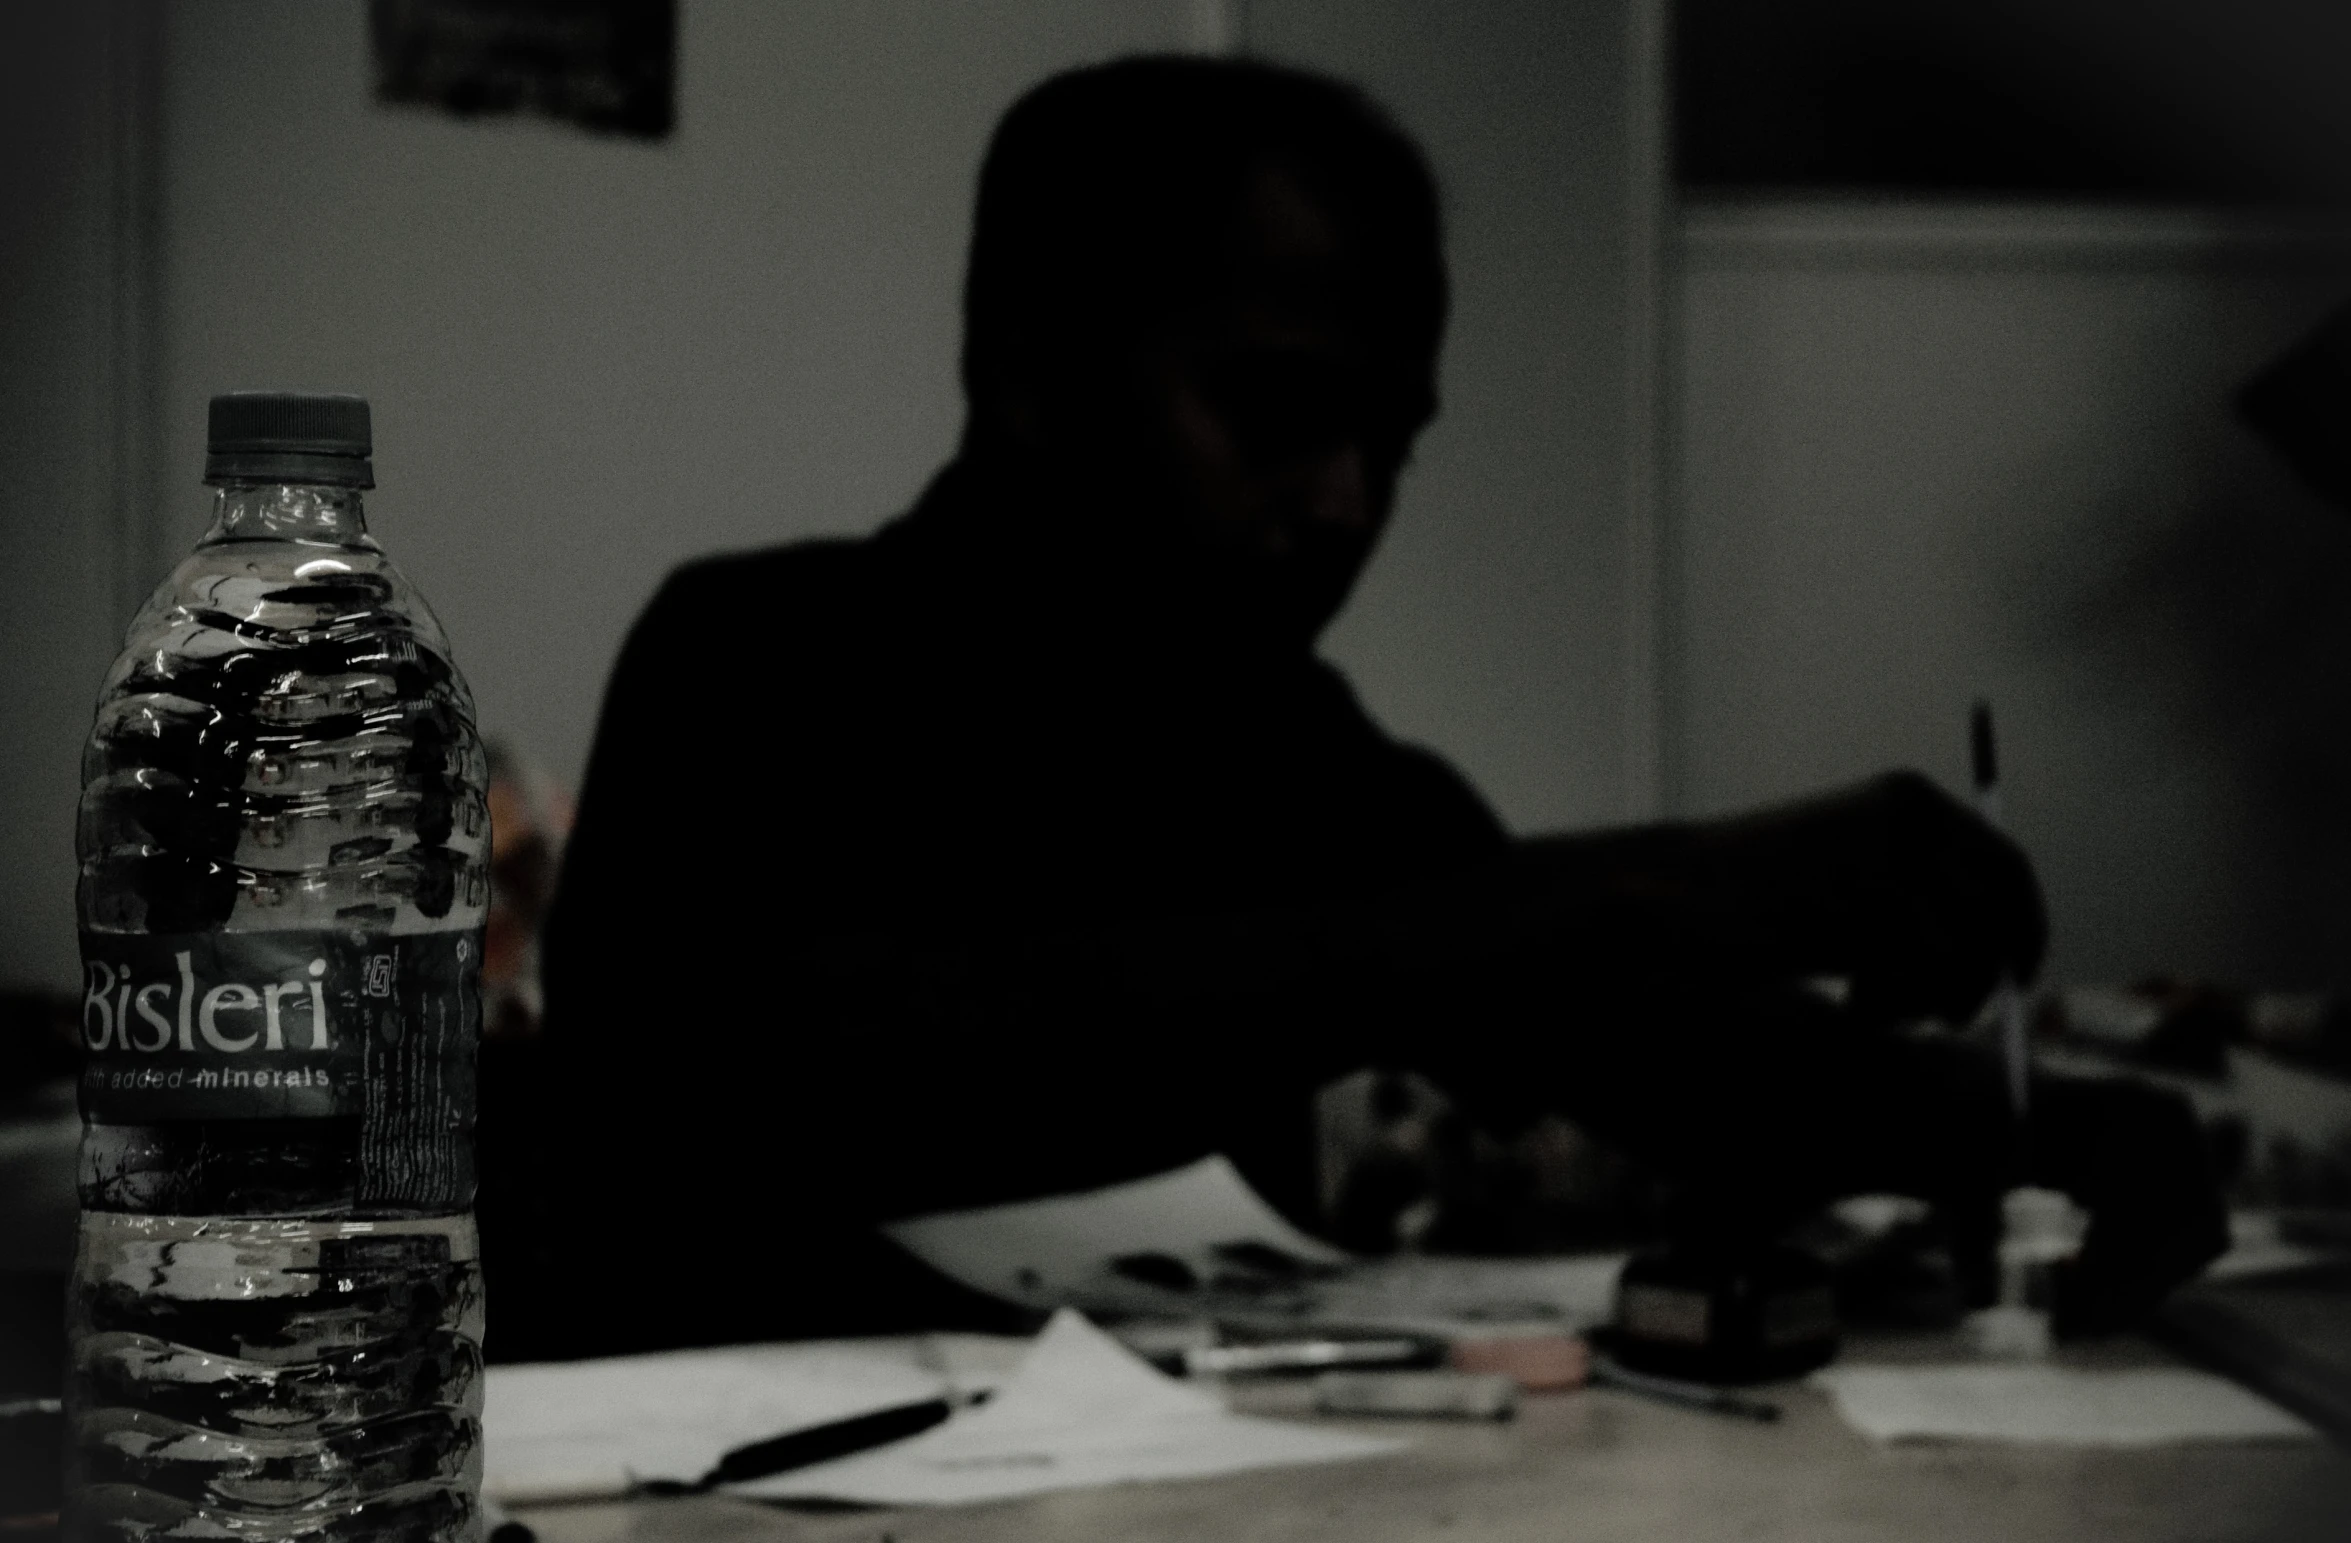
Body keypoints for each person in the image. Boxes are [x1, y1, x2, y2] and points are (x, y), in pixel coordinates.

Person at [484, 55, 2223, 1360]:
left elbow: (1646, 1039)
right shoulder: (755, 655)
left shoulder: (1284, 740)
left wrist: (2036, 1121)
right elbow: (822, 1063)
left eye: (1391, 442)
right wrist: (1628, 884)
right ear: (1026, 374)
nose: (1347, 505)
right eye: (1275, 414)